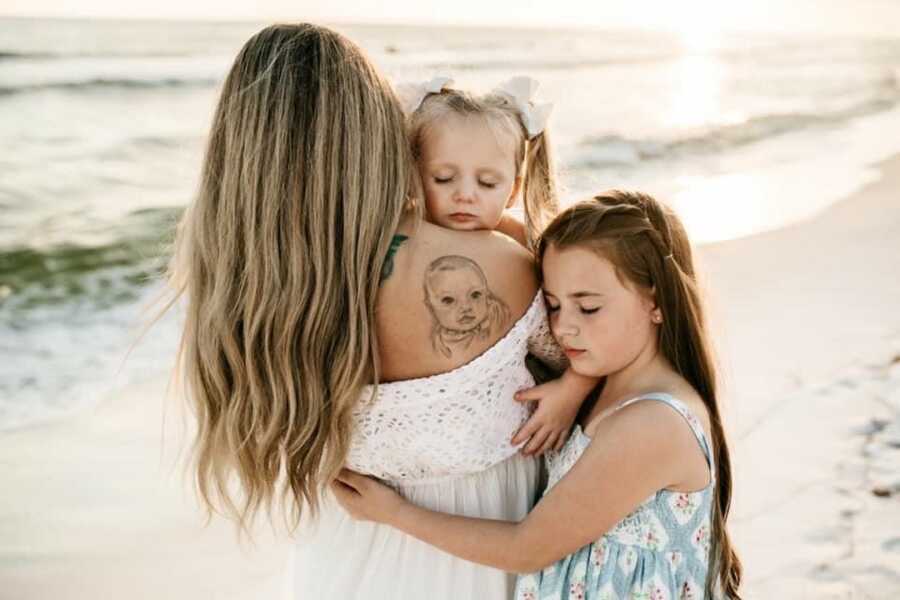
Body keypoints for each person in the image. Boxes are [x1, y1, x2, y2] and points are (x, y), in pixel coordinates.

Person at [167, 23, 590, 599]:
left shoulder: (246, 282)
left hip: (344, 534)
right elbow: (587, 358)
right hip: (480, 536)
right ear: (371, 129)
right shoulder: (495, 266)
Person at [334, 191, 744, 599]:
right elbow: (519, 231)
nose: (563, 327)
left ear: (656, 301)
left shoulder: (652, 424)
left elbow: (527, 548)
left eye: (588, 308)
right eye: (552, 304)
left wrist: (392, 513)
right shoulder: (607, 385)